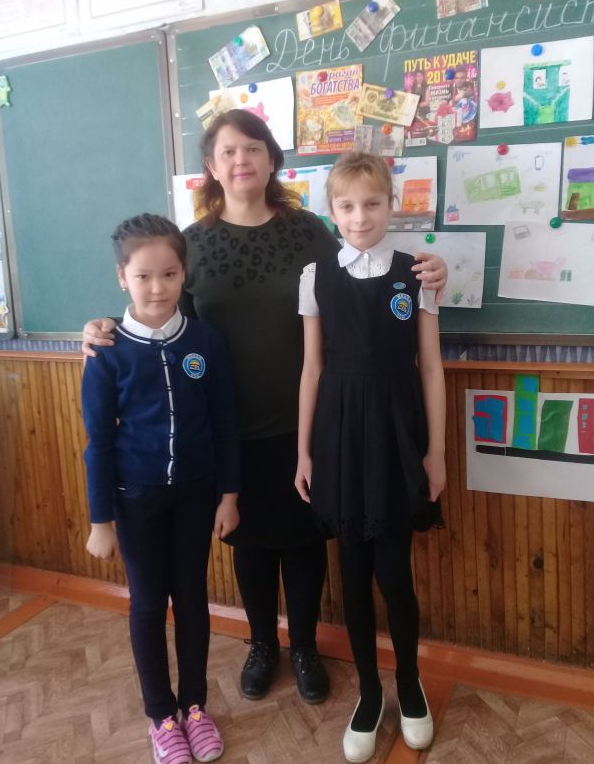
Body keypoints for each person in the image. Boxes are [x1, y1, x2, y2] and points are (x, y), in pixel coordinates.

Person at [82, 110, 448, 708]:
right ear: (210, 166)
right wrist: (101, 325)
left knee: (304, 540)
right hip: (228, 424)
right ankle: (261, 644)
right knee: (250, 544)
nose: (241, 160)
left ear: (272, 159)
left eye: (253, 148)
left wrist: (431, 267)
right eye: (227, 151)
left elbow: (363, 278)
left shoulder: (310, 231)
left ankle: (303, 646)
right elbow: (159, 308)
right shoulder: (191, 243)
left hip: (312, 420)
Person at [295, 153, 446, 764]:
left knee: (394, 574)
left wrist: (436, 452)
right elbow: (311, 369)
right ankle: (369, 693)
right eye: (347, 206)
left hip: (396, 434)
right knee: (352, 576)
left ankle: (409, 685)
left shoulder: (418, 273)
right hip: (338, 437)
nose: (360, 217)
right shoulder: (315, 276)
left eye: (372, 204)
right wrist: (304, 452)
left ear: (392, 205)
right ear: (331, 211)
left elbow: (430, 369)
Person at [82, 213, 239, 764]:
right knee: (149, 604)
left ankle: (194, 706)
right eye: (143, 276)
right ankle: (161, 716)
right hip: (137, 499)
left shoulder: (205, 341)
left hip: (197, 496)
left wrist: (229, 495)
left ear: (183, 273)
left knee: (192, 599)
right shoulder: (106, 350)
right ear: (122, 277)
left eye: (169, 274)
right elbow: (98, 442)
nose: (157, 288)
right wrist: (101, 519)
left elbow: (225, 424)